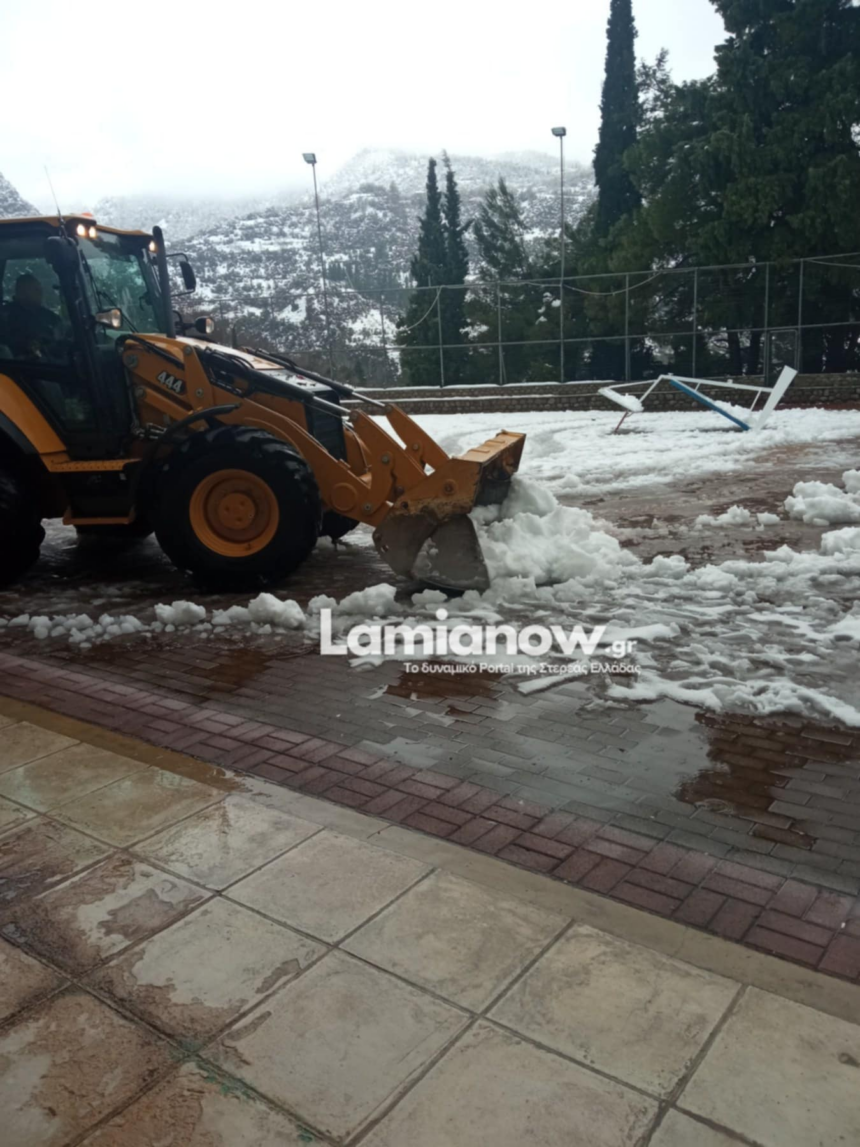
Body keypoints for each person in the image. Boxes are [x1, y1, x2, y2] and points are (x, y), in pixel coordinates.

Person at [2, 272, 64, 360]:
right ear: (20, 292)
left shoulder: (51, 317)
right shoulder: (5, 316)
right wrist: (27, 344)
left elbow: (59, 343)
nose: (40, 292)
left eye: (40, 288)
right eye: (35, 289)